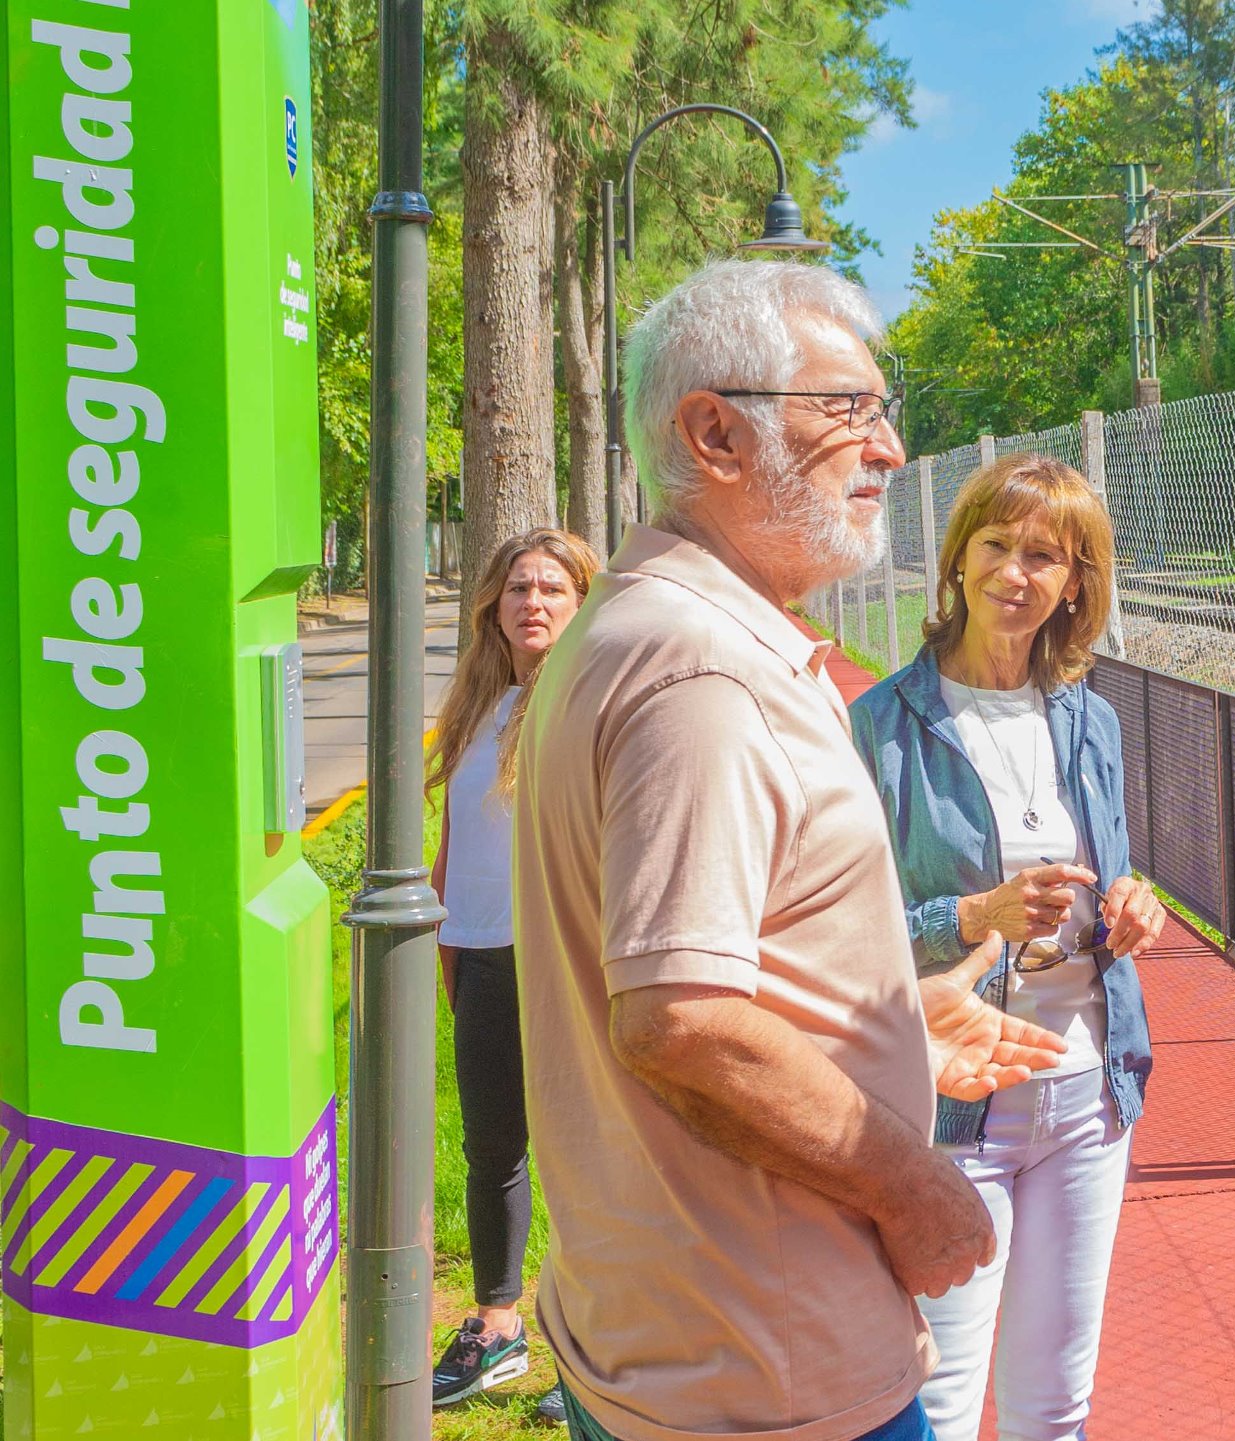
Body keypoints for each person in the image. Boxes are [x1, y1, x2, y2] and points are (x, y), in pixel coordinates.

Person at [510, 258, 1069, 1441]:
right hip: (765, 1370)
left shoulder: (644, 626)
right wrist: (908, 1180)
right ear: (714, 433)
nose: (891, 448)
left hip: (672, 1341)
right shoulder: (701, 671)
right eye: (848, 410)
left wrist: (895, 1024)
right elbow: (682, 1019)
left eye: (883, 408)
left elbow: (699, 969)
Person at [850, 454, 1166, 1441]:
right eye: (996, 545)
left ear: (1077, 582)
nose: (1015, 574)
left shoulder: (1091, 721)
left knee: (1054, 1407)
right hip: (952, 1110)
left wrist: (1131, 906)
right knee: (937, 1404)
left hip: (1086, 1095)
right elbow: (843, 947)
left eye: (1044, 554)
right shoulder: (882, 728)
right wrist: (976, 914)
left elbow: (1108, 878)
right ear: (958, 559)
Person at [424, 527, 600, 1418]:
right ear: (493, 605)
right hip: (485, 954)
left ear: (581, 604)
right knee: (494, 1146)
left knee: (587, 1154)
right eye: (519, 588)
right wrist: (451, 951)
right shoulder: (474, 708)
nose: (534, 601)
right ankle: (497, 1327)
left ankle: (598, 1356)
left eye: (553, 589)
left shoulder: (591, 696)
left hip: (566, 954)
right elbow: (457, 844)